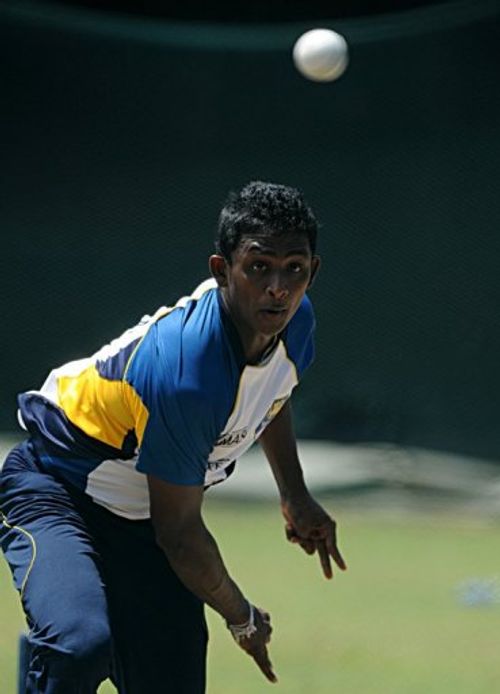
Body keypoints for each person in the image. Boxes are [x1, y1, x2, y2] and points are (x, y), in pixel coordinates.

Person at [0, 181, 347, 693]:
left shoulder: (295, 323)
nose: (278, 286)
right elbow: (180, 536)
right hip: (58, 489)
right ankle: (54, 647)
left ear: (312, 272)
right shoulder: (188, 370)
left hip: (142, 513)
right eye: (258, 266)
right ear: (221, 270)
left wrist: (294, 494)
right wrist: (242, 617)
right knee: (79, 645)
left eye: (294, 268)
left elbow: (272, 392)